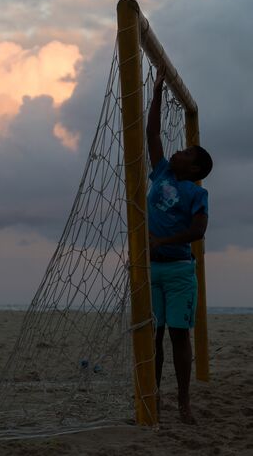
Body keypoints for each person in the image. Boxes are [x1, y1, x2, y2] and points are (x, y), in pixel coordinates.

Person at [146, 66, 213, 424]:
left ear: (194, 167)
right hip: (151, 269)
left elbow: (198, 232)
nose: (179, 152)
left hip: (178, 271)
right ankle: (154, 399)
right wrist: (157, 91)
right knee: (152, 337)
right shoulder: (161, 173)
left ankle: (184, 403)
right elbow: (152, 132)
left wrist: (163, 240)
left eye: (187, 152)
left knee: (177, 337)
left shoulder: (196, 193)